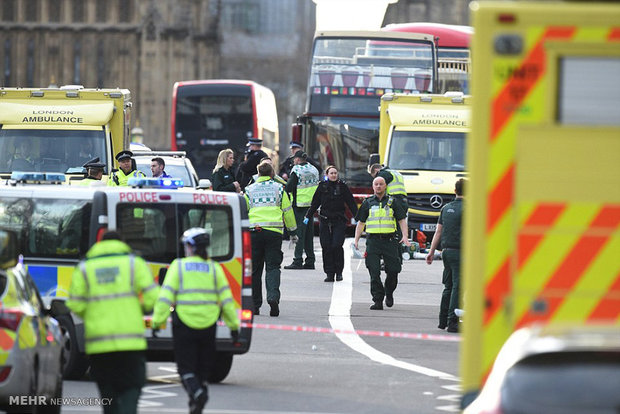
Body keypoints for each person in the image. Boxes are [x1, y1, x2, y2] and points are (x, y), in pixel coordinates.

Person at [66, 231, 159, 414]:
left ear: (100, 243)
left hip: (99, 344)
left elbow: (75, 304)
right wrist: (137, 309)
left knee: (108, 394)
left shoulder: (85, 267)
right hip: (130, 342)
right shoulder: (134, 263)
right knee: (132, 385)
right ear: (122, 243)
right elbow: (152, 298)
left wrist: (93, 314)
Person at [152, 228, 240, 414]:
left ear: (191, 247)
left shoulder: (179, 266)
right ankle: (197, 400)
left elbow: (165, 297)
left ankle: (197, 392)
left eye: (185, 245)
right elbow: (226, 300)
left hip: (184, 326)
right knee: (203, 368)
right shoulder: (215, 269)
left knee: (185, 368)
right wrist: (233, 326)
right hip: (208, 326)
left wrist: (156, 322)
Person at [244, 162, 297, 317]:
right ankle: (273, 298)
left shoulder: (249, 190)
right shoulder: (279, 189)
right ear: (272, 173)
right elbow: (287, 211)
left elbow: (244, 211)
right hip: (274, 233)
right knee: (273, 267)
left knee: (255, 270)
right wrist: (293, 232)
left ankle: (254, 305)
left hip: (254, 231)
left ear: (258, 173)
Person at [354, 176, 410, 310]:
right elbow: (361, 223)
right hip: (373, 241)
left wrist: (405, 236)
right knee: (374, 271)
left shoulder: (393, 201)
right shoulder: (368, 202)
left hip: (390, 241)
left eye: (381, 184)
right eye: (376, 184)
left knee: (393, 270)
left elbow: (402, 220)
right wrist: (356, 240)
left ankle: (389, 291)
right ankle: (378, 300)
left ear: (385, 186)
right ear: (373, 187)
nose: (378, 186)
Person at [305, 165, 358, 282]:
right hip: (324, 220)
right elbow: (315, 203)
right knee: (326, 247)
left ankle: (339, 272)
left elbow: (351, 203)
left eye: (335, 173)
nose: (334, 175)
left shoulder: (342, 186)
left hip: (338, 220)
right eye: (331, 173)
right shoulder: (322, 187)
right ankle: (329, 273)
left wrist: (358, 217)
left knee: (336, 245)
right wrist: (308, 216)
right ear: (327, 175)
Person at [426, 178, 465, 333]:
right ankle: (452, 321)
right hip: (461, 252)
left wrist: (431, 252)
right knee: (458, 286)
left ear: (455, 191)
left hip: (446, 252)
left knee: (448, 286)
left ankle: (442, 320)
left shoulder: (446, 208)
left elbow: (438, 232)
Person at [284, 151, 320, 270]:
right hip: (311, 205)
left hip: (299, 206)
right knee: (309, 233)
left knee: (299, 233)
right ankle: (310, 260)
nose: (293, 161)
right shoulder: (314, 169)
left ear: (298, 160)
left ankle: (297, 260)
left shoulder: (297, 170)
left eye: (294, 159)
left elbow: (289, 187)